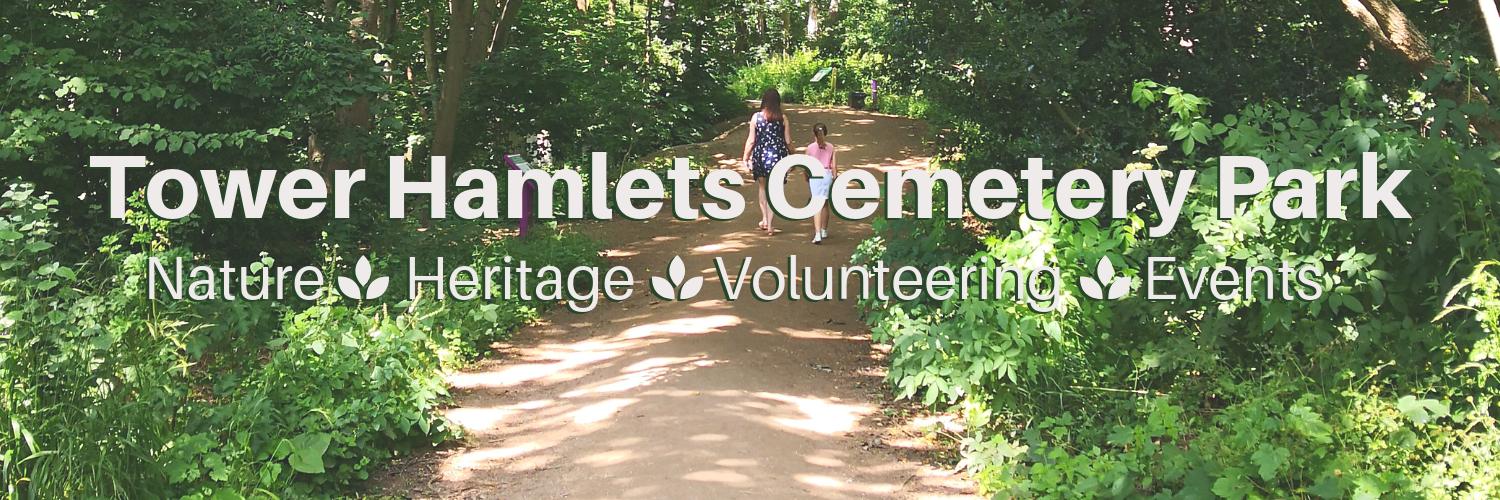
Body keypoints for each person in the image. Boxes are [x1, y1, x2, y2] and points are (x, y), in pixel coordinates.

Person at [741, 87, 791, 235]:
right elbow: (788, 141)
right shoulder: (783, 118)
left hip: (760, 156)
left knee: (762, 188)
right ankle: (770, 224)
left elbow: (751, 141)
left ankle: (764, 219)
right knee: (775, 190)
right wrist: (794, 156)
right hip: (778, 156)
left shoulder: (756, 117)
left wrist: (745, 157)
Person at [804, 123, 836, 244]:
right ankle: (824, 230)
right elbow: (834, 166)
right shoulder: (831, 147)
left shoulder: (810, 148)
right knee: (825, 203)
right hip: (827, 174)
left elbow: (805, 166)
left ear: (814, 133)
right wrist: (834, 178)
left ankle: (817, 234)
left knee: (816, 204)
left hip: (815, 175)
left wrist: (806, 177)